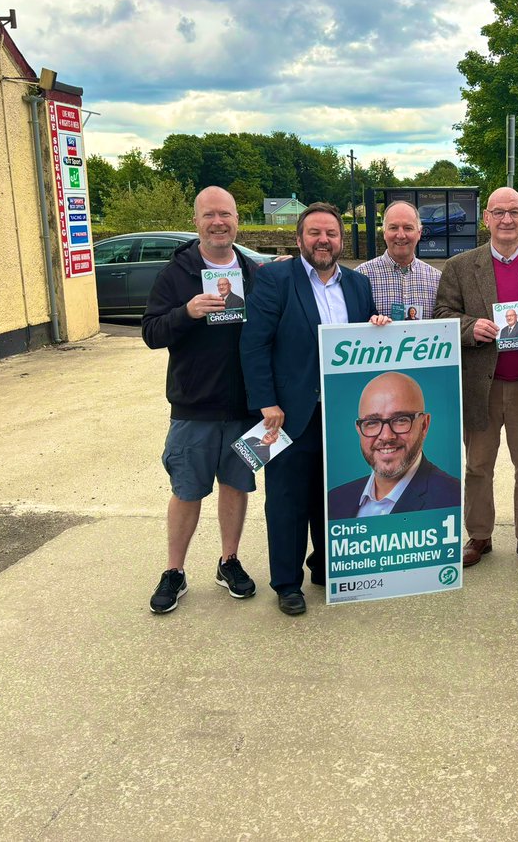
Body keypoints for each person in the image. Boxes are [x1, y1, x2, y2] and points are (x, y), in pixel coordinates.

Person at [240, 202, 385, 616]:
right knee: (287, 500)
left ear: (342, 240)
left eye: (331, 234)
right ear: (300, 238)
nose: (324, 240)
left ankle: (325, 566)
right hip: (288, 414)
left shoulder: (357, 285)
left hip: (341, 414)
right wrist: (266, 402)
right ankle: (287, 582)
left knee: (334, 493)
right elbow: (254, 344)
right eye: (315, 233)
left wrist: (377, 327)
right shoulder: (275, 279)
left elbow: (362, 343)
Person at [434, 186, 518, 571]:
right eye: (499, 212)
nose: (507, 220)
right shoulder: (461, 265)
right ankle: (479, 535)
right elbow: (443, 311)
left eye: (514, 211)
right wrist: (467, 327)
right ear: (486, 219)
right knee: (478, 465)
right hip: (482, 384)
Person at [141, 186, 260, 614]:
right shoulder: (178, 273)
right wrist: (186, 313)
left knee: (237, 485)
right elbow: (151, 332)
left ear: (236, 220)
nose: (218, 222)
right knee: (187, 489)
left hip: (248, 408)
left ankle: (229, 560)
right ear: (197, 221)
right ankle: (174, 570)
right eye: (209, 214)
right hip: (194, 407)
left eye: (225, 214)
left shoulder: (253, 271)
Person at [327, 372, 461, 519]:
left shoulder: (452, 497)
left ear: (424, 425)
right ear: (359, 429)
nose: (386, 436)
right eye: (372, 422)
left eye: (400, 420)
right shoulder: (334, 500)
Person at [357, 200, 442, 320]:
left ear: (419, 233)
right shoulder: (360, 277)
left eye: (408, 228)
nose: (401, 235)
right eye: (393, 228)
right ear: (384, 232)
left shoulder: (437, 280)